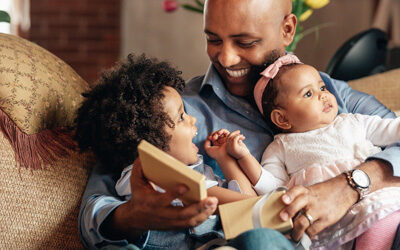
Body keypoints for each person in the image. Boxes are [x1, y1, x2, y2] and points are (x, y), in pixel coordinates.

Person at [78, 0, 400, 248]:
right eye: (213, 39)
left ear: (287, 29)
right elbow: (97, 207)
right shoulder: (171, 111)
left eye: (245, 42)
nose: (226, 58)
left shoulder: (329, 92)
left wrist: (352, 184)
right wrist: (131, 217)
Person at [214, 54, 400, 249]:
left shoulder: (353, 122)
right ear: (282, 119)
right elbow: (273, 189)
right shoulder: (280, 147)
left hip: (371, 200)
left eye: (322, 87)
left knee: (381, 225)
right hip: (324, 224)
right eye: (308, 94)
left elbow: (392, 130)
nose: (323, 95)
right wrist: (244, 157)